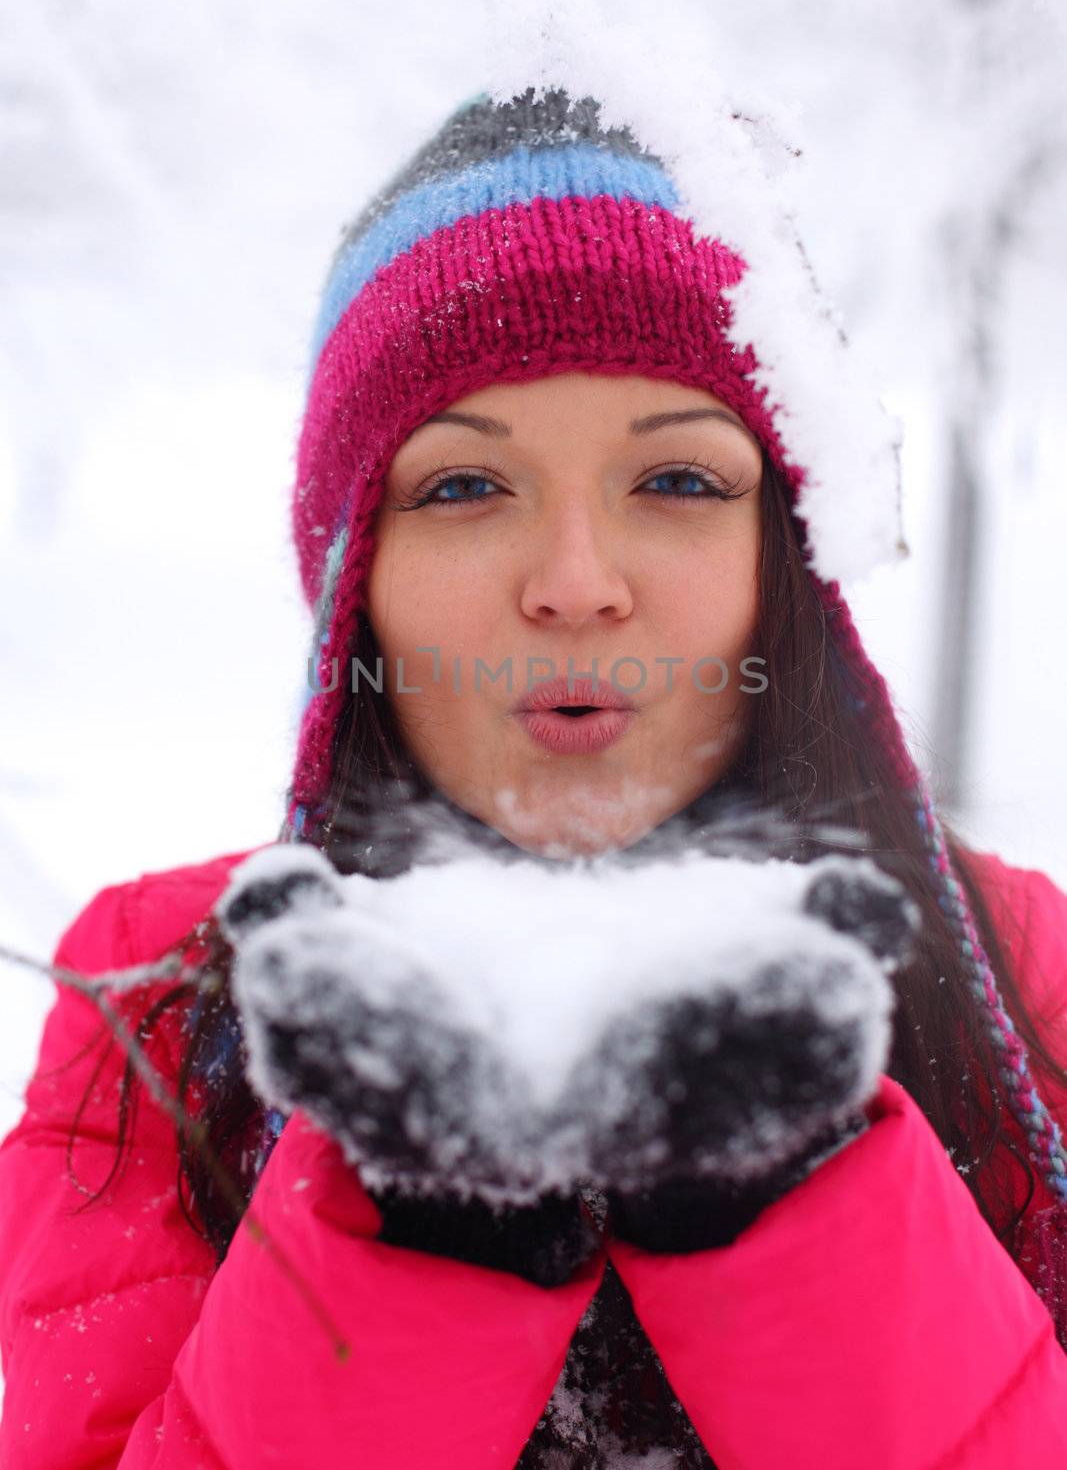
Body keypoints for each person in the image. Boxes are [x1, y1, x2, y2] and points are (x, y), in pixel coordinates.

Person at [2, 84, 1067, 1468]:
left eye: (679, 482)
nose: (575, 585)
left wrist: (786, 1203)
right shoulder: (166, 994)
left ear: (788, 560)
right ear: (352, 590)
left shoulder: (1022, 968)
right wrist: (413, 1230)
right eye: (460, 488)